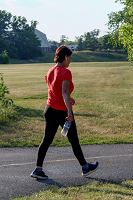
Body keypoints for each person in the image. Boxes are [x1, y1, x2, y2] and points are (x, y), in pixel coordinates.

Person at [30, 45, 99, 180]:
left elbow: (54, 90)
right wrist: (69, 112)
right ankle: (85, 167)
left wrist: (68, 99)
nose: (70, 61)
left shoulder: (50, 71)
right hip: (61, 112)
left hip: (49, 109)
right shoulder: (66, 72)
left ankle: (38, 169)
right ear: (66, 57)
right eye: (70, 58)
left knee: (46, 140)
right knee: (74, 140)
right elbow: (64, 92)